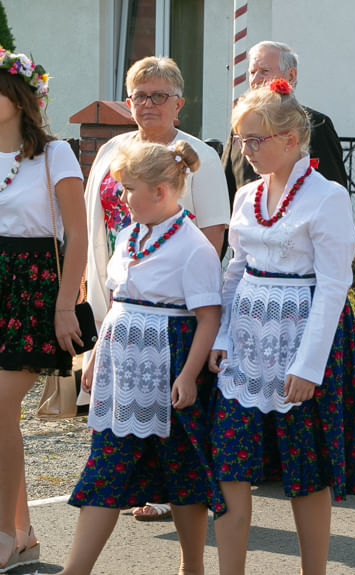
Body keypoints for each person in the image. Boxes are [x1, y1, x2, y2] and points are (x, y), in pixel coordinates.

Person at [208, 79, 355, 575]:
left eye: (256, 140)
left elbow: (333, 286)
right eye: (242, 140)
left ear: (291, 139)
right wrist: (219, 337)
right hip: (247, 344)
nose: (247, 150)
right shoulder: (247, 195)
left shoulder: (327, 197)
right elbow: (235, 269)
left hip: (303, 341)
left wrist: (309, 366)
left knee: (306, 469)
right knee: (230, 461)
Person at [58, 140, 223, 575]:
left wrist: (188, 376)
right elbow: (117, 300)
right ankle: (75, 570)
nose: (122, 198)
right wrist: (96, 355)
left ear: (162, 191)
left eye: (129, 189)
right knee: (106, 463)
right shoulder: (130, 235)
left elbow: (208, 318)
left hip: (168, 363)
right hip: (123, 366)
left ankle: (192, 566)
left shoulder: (193, 247)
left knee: (182, 469)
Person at [84, 56, 230, 520]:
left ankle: (171, 494)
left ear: (179, 104)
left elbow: (211, 234)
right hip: (120, 278)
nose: (148, 104)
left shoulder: (198, 156)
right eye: (139, 96)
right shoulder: (112, 152)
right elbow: (96, 226)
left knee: (168, 416)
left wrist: (189, 289)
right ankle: (139, 485)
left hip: (170, 296)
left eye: (159, 95)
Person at [0, 47, 86, 573]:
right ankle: (22, 533)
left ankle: (5, 534)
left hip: (34, 291)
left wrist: (64, 305)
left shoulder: (56, 155)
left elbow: (77, 234)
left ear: (18, 96)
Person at [222, 40, 347, 204]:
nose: (256, 80)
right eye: (252, 72)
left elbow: (332, 188)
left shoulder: (315, 124)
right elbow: (225, 192)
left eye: (264, 71)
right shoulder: (241, 127)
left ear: (291, 75)